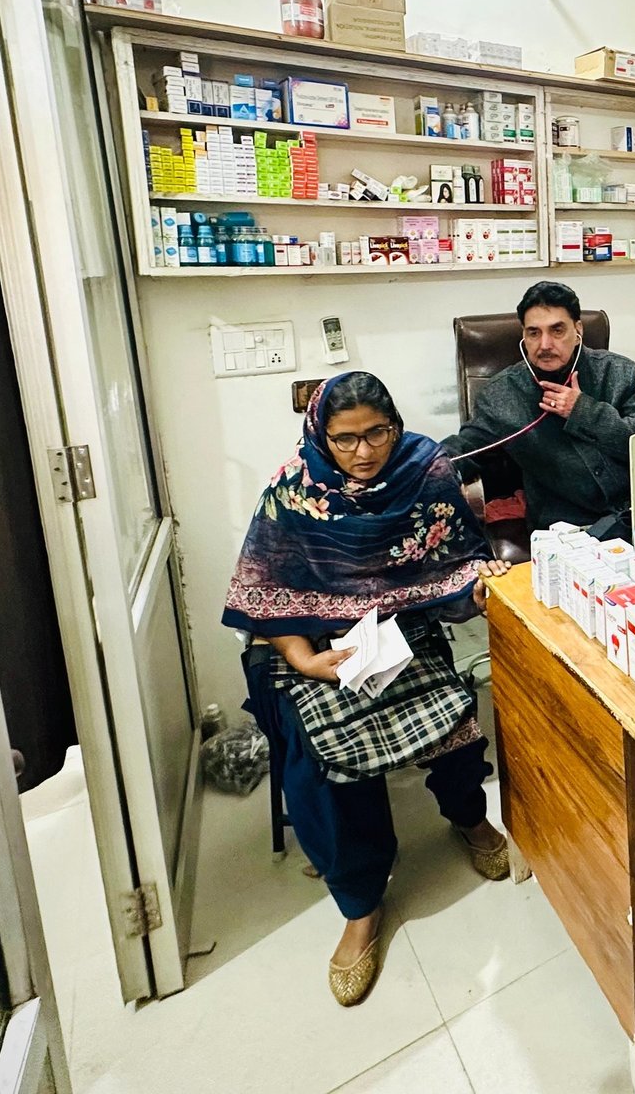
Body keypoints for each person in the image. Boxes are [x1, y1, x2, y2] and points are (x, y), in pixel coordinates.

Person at [223, 372, 512, 1007]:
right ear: (320, 434)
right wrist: (309, 660)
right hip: (313, 638)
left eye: (376, 432)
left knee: (456, 722)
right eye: (345, 438)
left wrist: (478, 580)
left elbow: (459, 557)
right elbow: (264, 591)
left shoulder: (427, 469)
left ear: (396, 425)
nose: (363, 451)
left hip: (399, 626)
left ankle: (468, 817)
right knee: (323, 766)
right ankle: (360, 901)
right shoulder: (291, 492)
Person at [444, 281, 635, 536]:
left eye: (557, 330)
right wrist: (417, 464)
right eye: (534, 333)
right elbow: (466, 448)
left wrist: (584, 411)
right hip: (566, 529)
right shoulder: (502, 394)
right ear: (523, 335)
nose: (545, 344)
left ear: (577, 329)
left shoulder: (615, 371)